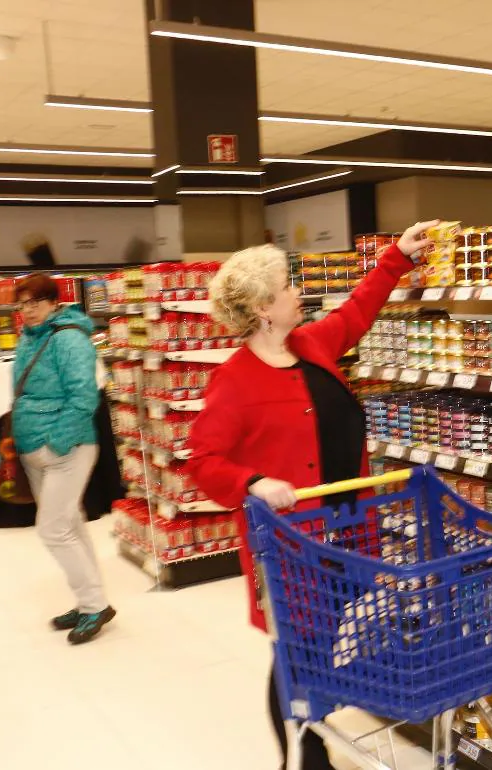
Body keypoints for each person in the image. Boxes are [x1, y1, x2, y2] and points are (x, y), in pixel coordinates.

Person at [185, 221, 437, 770]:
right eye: (288, 286)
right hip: (294, 547)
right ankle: (304, 753)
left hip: (350, 530)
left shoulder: (310, 345)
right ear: (262, 309)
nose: (299, 291)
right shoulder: (234, 380)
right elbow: (202, 460)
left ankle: (315, 733)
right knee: (298, 653)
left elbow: (355, 314)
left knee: (324, 645)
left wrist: (396, 257)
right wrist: (252, 483)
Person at [12, 272, 115, 644]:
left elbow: (84, 397)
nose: (28, 311)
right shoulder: (29, 337)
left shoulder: (69, 338)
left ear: (54, 303)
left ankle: (94, 604)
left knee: (52, 530)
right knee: (70, 525)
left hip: (67, 448)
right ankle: (90, 600)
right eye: (22, 304)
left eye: (36, 302)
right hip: (35, 449)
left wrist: (57, 442)